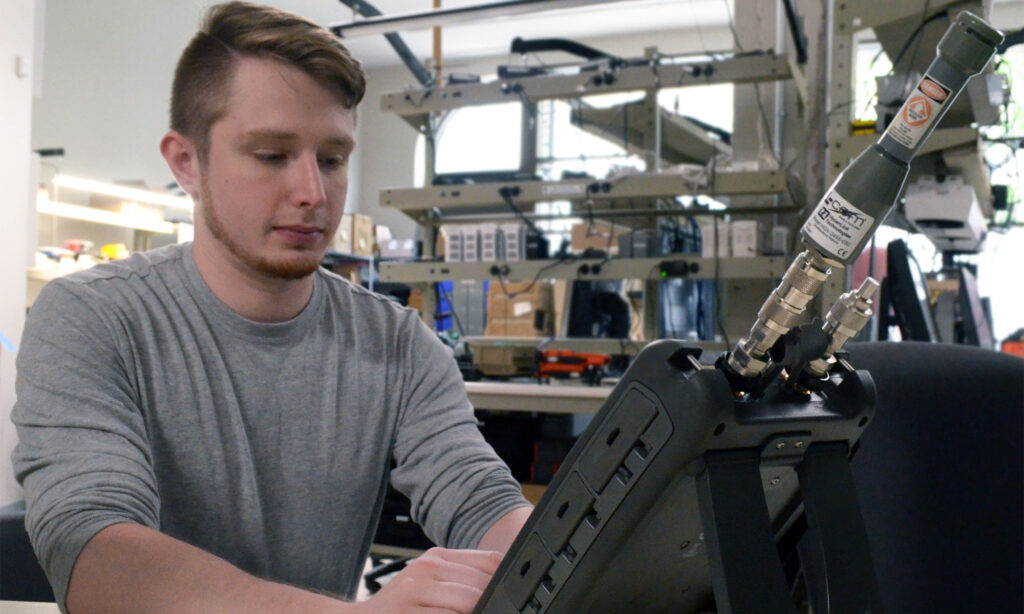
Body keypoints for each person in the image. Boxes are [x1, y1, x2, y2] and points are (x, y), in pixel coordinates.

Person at [11, 3, 532, 613]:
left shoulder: (397, 344)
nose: (313, 193)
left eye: (332, 159)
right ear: (186, 162)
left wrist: (572, 564)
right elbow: (98, 557)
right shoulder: (91, 319)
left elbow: (480, 498)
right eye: (271, 155)